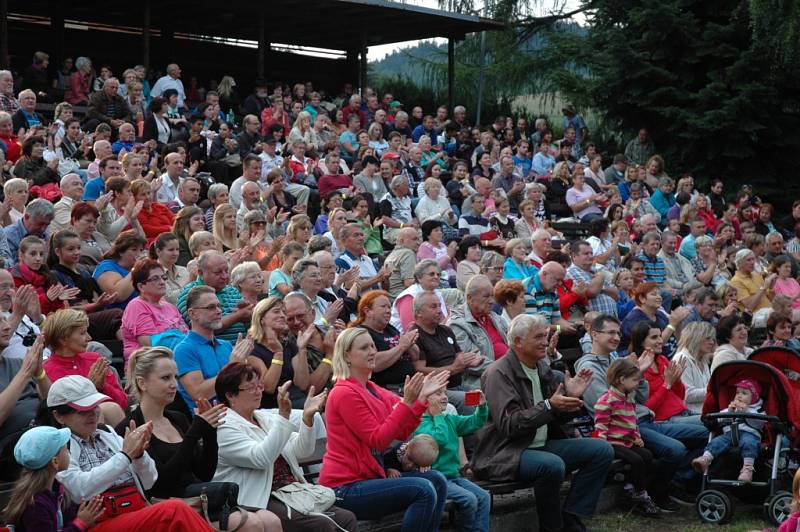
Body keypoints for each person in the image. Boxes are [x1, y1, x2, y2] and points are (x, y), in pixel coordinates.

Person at [472, 313, 613, 531]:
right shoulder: (498, 373)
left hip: (540, 445)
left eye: (545, 336)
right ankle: (552, 527)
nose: (545, 342)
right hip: (506, 452)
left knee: (601, 450)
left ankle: (571, 517)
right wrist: (549, 406)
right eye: (538, 337)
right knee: (551, 465)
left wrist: (572, 398)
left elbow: (556, 416)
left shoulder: (541, 367)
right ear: (518, 342)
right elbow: (510, 425)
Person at [118, 347, 271, 531]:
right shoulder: (131, 427)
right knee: (251, 524)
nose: (174, 384)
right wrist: (195, 432)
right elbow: (161, 485)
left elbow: (204, 473)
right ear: (142, 383)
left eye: (175, 377)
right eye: (166, 378)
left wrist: (209, 431)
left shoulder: (177, 418)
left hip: (199, 500)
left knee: (269, 520)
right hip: (166, 508)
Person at [320, 328, 450, 531]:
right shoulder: (343, 393)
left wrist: (420, 400)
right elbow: (378, 440)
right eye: (364, 348)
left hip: (370, 480)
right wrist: (407, 403)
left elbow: (401, 432)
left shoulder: (372, 388)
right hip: (345, 487)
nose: (372, 351)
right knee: (423, 489)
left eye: (372, 345)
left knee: (437, 480)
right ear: (346, 355)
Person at [43, 375, 213, 531]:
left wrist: (139, 456)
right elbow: (78, 490)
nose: (92, 414)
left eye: (95, 407)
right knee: (175, 510)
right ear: (59, 416)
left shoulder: (107, 433)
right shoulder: (58, 447)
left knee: (180, 512)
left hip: (134, 509)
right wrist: (125, 456)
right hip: (97, 522)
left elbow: (149, 481)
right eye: (82, 410)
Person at [212, 361, 354, 530]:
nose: (258, 392)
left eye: (259, 386)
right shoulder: (224, 426)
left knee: (347, 518)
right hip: (257, 499)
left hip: (290, 491)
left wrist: (307, 418)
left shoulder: (263, 417)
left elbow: (302, 451)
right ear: (230, 395)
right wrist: (283, 416)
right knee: (321, 526)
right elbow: (261, 458)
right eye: (251, 388)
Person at [412, 384, 491, 531]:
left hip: (454, 477)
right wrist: (437, 416)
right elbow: (438, 440)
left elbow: (475, 423)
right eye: (437, 394)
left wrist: (481, 407)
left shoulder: (449, 419)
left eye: (444, 393)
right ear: (424, 400)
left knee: (484, 497)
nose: (444, 397)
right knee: (469, 499)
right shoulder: (419, 424)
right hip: (436, 479)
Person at [3, 425, 105, 530]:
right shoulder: (35, 505)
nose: (69, 453)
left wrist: (87, 518)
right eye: (66, 449)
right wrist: (80, 523)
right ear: (55, 462)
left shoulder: (57, 489)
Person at [593, 358, 660, 516]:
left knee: (648, 455)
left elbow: (632, 422)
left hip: (627, 442)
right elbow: (600, 426)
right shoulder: (607, 401)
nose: (638, 383)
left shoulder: (628, 399)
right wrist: (602, 447)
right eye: (635, 380)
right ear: (622, 379)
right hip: (612, 443)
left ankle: (630, 487)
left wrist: (636, 436)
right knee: (636, 460)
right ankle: (640, 495)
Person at [173, 285, 252, 412]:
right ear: (192, 313)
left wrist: (244, 366)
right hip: (213, 422)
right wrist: (232, 366)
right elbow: (199, 395)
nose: (219, 311)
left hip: (240, 415)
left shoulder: (225, 345)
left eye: (219, 306)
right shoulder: (184, 350)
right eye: (211, 307)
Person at [41, 308, 126, 424]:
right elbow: (62, 414)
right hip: (73, 432)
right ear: (63, 339)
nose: (89, 338)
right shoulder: (48, 370)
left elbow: (123, 402)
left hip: (110, 425)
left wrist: (103, 387)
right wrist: (90, 386)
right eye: (82, 333)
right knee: (105, 410)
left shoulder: (95, 359)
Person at [692, 379, 764, 483]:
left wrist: (747, 411)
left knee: (749, 444)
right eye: (737, 392)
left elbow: (760, 424)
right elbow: (719, 418)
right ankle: (705, 459)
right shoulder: (731, 407)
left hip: (749, 434)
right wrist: (729, 412)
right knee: (717, 442)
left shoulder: (757, 410)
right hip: (730, 434)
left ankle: (747, 469)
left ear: (754, 397)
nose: (739, 396)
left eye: (744, 393)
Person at [447, 275, 508, 388]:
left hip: (506, 372)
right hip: (482, 381)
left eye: (492, 296)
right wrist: (507, 369)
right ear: (470, 298)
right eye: (486, 296)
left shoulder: (494, 317)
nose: (492, 301)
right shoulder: (457, 324)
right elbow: (474, 362)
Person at [121, 258, 188, 361]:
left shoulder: (170, 307)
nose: (162, 282)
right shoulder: (137, 306)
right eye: (155, 278)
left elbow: (186, 335)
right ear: (141, 286)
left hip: (177, 360)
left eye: (163, 277)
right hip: (149, 367)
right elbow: (150, 344)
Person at [177, 251, 251, 343]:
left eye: (226, 271)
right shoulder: (190, 293)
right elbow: (202, 328)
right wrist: (238, 316)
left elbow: (248, 321)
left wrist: (250, 313)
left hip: (243, 347)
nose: (224, 276)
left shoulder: (232, 290)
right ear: (201, 273)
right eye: (218, 272)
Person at [93, 230, 146, 310]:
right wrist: (136, 268)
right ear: (121, 251)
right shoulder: (107, 266)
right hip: (121, 315)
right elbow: (117, 295)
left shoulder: (135, 269)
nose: (139, 254)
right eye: (134, 249)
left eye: (141, 250)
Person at [672, 322, 717, 414]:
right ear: (695, 338)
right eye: (708, 338)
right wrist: (715, 390)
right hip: (689, 413)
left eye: (713, 339)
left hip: (705, 411)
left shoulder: (703, 359)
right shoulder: (681, 358)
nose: (712, 342)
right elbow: (687, 394)